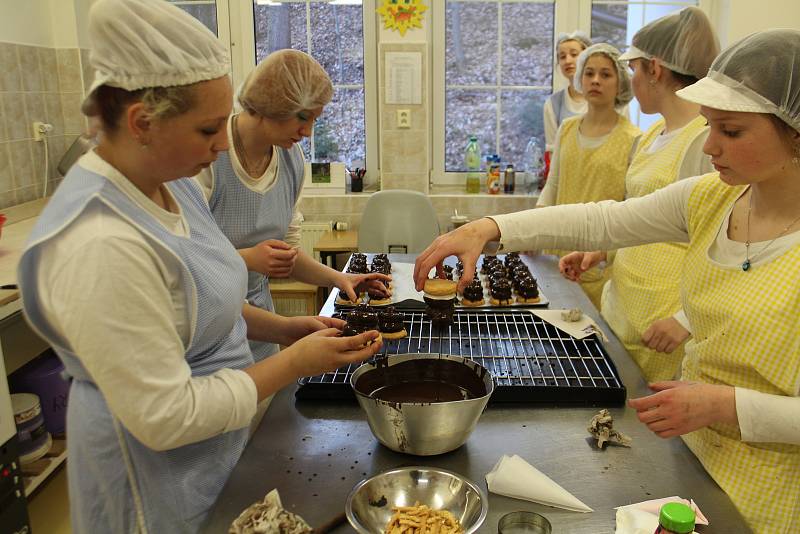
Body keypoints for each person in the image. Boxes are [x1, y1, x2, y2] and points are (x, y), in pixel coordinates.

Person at [414, 29, 800, 534]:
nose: (709, 146)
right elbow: (605, 221)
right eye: (710, 127)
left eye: (731, 132)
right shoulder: (713, 198)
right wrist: (489, 229)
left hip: (769, 496)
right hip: (692, 458)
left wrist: (724, 404)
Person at [17, 1, 381, 532]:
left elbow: (204, 297)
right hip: (155, 479)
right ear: (142, 123)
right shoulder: (100, 241)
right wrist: (295, 362)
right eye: (209, 128)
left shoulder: (169, 184)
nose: (221, 143)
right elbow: (167, 417)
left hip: (215, 451)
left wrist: (284, 330)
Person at [196, 49, 389, 362]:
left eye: (314, 119)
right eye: (302, 117)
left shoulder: (291, 161)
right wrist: (247, 258)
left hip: (260, 327)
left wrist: (338, 278)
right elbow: (186, 263)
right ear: (269, 104)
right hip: (206, 330)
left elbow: (287, 254)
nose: (308, 132)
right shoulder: (207, 160)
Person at [562, 7, 719, 382]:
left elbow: (721, 241)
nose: (630, 79)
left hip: (662, 325)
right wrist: (602, 250)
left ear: (656, 69)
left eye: (633, 69)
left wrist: (685, 319)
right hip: (623, 308)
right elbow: (641, 216)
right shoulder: (653, 135)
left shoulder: (705, 140)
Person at [536, 43, 640, 308]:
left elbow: (632, 208)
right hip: (556, 247)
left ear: (620, 83)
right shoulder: (567, 129)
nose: (595, 80)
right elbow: (554, 184)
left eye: (605, 74)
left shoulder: (633, 139)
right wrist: (534, 226)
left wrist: (604, 253)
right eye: (589, 73)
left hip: (597, 261)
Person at [542, 31, 593, 153]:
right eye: (562, 56)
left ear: (588, 57)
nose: (568, 61)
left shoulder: (608, 99)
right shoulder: (553, 104)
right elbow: (552, 151)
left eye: (574, 54)